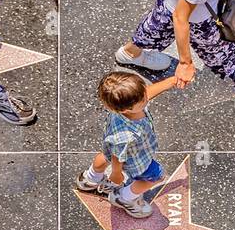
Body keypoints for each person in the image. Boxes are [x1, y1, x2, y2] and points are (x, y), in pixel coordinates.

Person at [76, 70, 184, 218]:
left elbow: (146, 93)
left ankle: (90, 179)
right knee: (156, 176)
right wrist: (116, 174)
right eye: (143, 99)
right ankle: (124, 198)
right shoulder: (125, 136)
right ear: (127, 109)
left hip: (113, 147)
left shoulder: (122, 106)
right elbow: (117, 157)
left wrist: (172, 81)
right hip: (136, 159)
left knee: (104, 157)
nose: (146, 97)